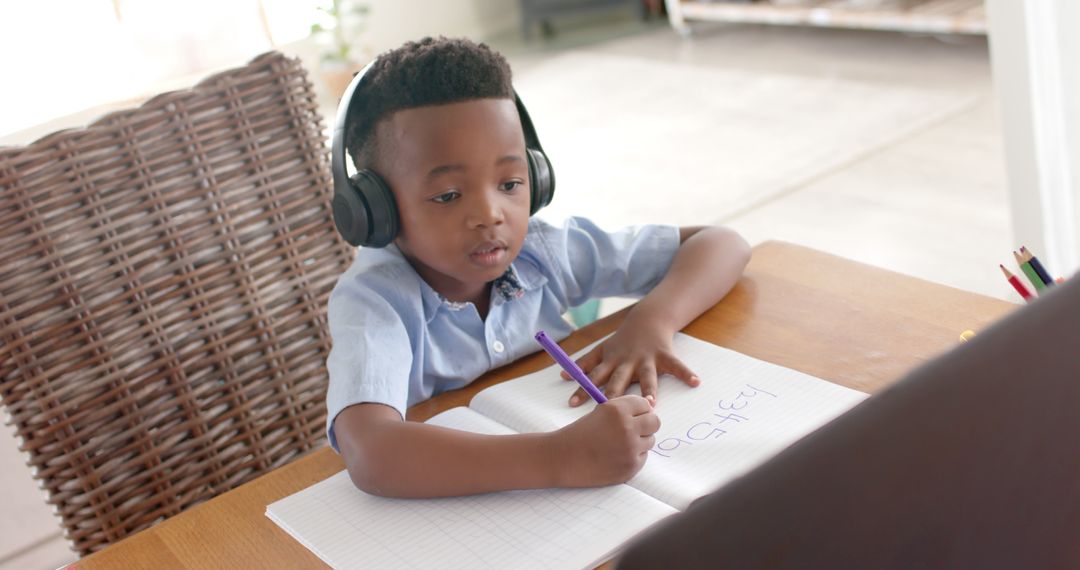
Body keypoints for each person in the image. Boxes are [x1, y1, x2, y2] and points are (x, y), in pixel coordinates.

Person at [326, 36, 751, 498]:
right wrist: (560, 459)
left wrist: (652, 321)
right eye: (448, 195)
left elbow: (723, 244)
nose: (491, 214)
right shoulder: (375, 301)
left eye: (510, 182)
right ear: (374, 210)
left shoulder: (542, 250)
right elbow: (373, 454)